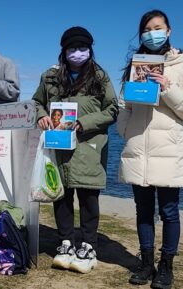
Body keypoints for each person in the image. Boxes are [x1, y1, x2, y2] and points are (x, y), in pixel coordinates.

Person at [117, 10, 183, 289]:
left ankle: (166, 266)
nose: (152, 33)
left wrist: (168, 87)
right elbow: (123, 105)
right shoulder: (136, 64)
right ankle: (145, 263)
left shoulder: (182, 64)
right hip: (138, 147)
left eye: (158, 27)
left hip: (169, 149)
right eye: (147, 29)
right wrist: (125, 129)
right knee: (143, 211)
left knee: (169, 211)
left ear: (168, 31)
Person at [33, 26, 118, 274]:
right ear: (64, 51)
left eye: (83, 48)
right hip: (58, 148)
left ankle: (89, 245)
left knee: (89, 197)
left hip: (89, 147)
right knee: (61, 197)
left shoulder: (100, 77)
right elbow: (37, 102)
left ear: (90, 50)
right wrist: (40, 116)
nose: (77, 53)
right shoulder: (49, 76)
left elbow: (112, 109)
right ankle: (66, 242)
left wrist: (85, 123)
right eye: (72, 48)